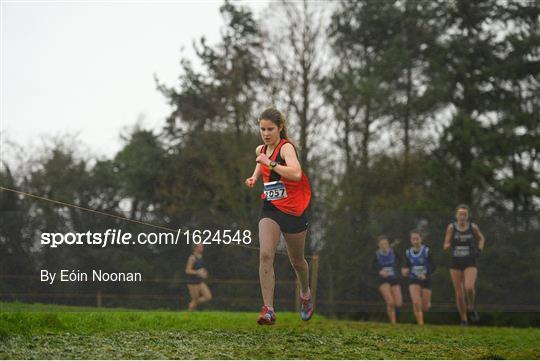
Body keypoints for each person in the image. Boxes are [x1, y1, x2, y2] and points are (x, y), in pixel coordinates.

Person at [245, 107, 312, 325]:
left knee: (297, 261)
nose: (265, 133)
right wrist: (254, 177)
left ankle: (305, 294)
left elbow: (296, 173)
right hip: (271, 207)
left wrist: (270, 163)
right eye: (262, 129)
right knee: (265, 254)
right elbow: (261, 161)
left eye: (270, 129)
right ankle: (268, 310)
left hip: (293, 211)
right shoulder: (261, 149)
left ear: (280, 128)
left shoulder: (286, 149)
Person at [443, 204, 486, 325]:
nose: (462, 216)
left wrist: (479, 250)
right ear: (456, 215)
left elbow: (482, 239)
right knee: (459, 294)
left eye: (465, 214)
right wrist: (451, 244)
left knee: (469, 287)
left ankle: (471, 307)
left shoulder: (473, 227)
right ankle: (464, 319)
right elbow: (445, 244)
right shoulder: (451, 228)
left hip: (470, 261)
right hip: (456, 262)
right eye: (460, 214)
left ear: (467, 216)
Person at [402, 230, 436, 326]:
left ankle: (427, 303)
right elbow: (405, 266)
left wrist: (426, 274)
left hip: (426, 279)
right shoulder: (408, 252)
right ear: (411, 240)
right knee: (416, 302)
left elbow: (433, 266)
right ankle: (421, 324)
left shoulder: (426, 251)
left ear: (421, 239)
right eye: (413, 239)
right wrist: (404, 271)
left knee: (425, 307)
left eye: (417, 238)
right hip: (413, 279)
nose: (415, 241)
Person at [373, 235, 403, 324]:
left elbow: (403, 261)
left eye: (385, 243)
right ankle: (393, 323)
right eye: (381, 244)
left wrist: (401, 269)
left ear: (388, 244)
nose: (384, 245)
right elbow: (371, 267)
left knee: (398, 303)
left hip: (394, 278)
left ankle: (393, 320)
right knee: (390, 302)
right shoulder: (376, 255)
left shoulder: (394, 252)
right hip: (382, 280)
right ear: (378, 245)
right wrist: (379, 271)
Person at [185, 244, 212, 311]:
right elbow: (187, 270)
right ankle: (188, 314)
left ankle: (192, 304)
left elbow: (199, 269)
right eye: (201, 246)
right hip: (192, 282)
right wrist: (198, 272)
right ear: (195, 248)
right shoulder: (192, 258)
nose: (203, 248)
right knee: (195, 300)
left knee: (208, 297)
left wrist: (204, 273)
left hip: (199, 281)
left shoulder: (200, 257)